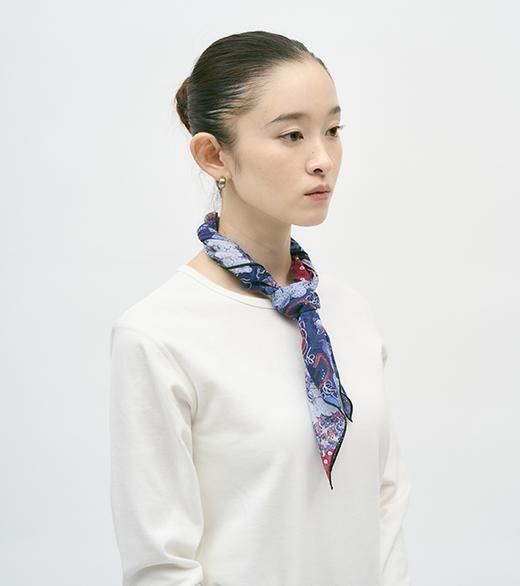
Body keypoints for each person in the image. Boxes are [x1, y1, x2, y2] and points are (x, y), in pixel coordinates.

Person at [109, 30, 412, 586]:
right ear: (213, 155)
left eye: (333, 131)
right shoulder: (158, 335)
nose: (322, 159)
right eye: (292, 135)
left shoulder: (346, 313)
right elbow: (162, 564)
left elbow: (383, 501)